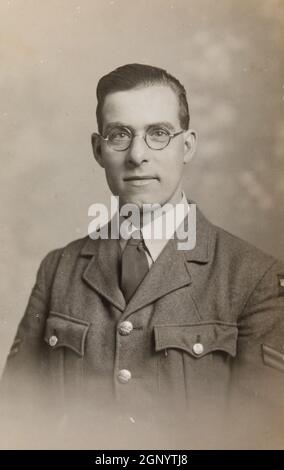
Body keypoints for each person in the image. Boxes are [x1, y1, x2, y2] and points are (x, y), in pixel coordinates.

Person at [1, 63, 284, 449]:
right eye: (120, 135)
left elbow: (260, 436)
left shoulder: (253, 277)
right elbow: (17, 421)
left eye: (159, 134)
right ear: (98, 150)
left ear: (187, 146)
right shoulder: (59, 269)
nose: (137, 155)